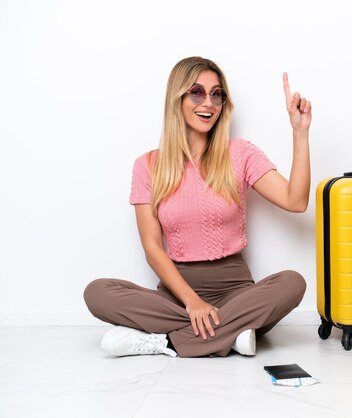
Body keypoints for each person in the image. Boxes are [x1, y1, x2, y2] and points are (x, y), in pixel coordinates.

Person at [83, 57, 311, 358]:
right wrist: (192, 302)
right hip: (176, 294)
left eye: (217, 94)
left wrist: (300, 133)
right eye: (197, 92)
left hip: (236, 292)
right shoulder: (148, 165)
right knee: (97, 292)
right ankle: (232, 335)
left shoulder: (240, 154)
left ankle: (166, 341)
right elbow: (152, 248)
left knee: (293, 283)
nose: (209, 103)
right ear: (177, 98)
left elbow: (295, 201)